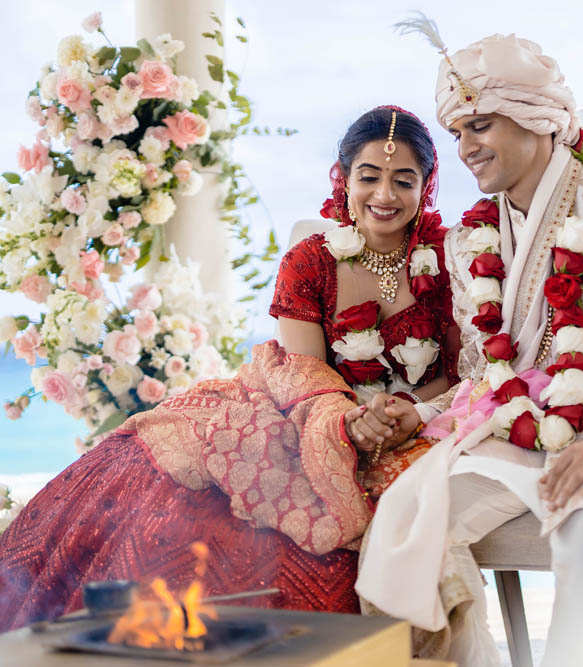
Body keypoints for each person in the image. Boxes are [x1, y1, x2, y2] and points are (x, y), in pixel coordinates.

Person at [0, 105, 459, 631]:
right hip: (308, 413)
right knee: (174, 491)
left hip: (417, 422)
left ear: (426, 186)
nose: (384, 196)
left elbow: (457, 368)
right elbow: (305, 376)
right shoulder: (309, 261)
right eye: (369, 177)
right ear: (343, 178)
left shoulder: (448, 259)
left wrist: (411, 414)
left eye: (404, 180)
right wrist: (349, 425)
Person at [354, 31, 583, 666]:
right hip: (522, 429)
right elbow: (483, 368)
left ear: (536, 118)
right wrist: (420, 414)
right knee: (407, 524)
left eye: (480, 126)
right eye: (458, 133)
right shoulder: (471, 237)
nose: (466, 149)